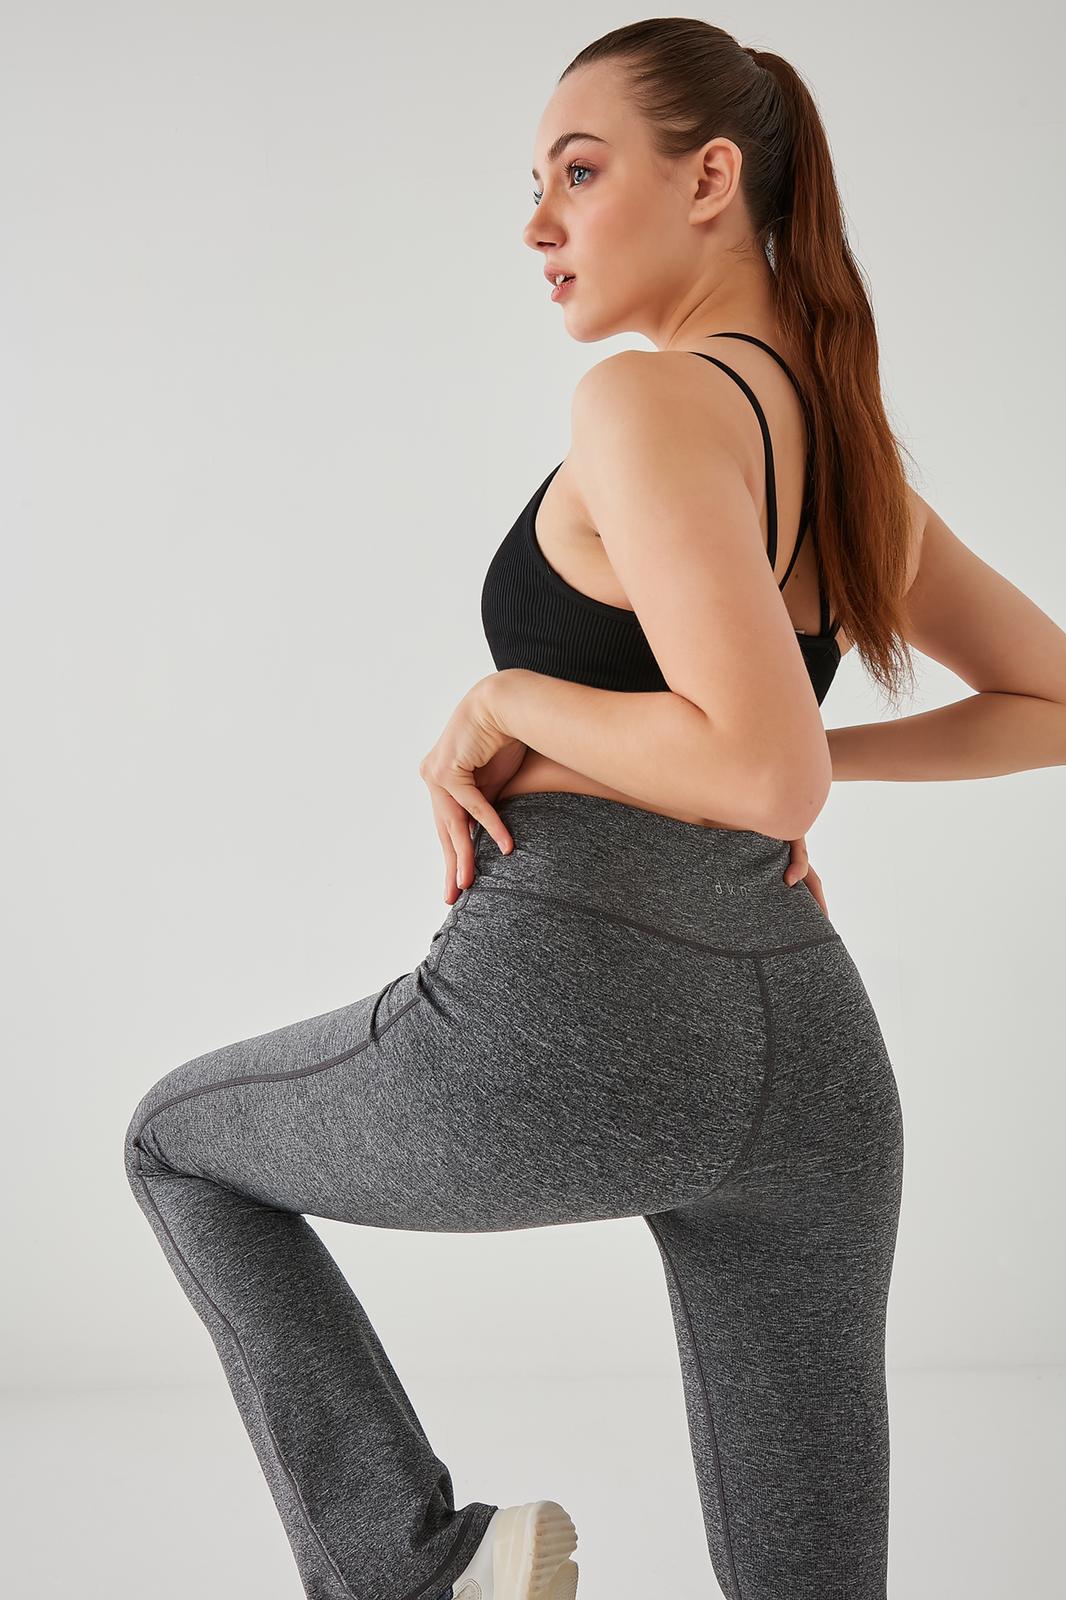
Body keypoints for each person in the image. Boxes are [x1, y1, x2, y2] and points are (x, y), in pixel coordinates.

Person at [123, 19, 1066, 1600]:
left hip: (571, 1013)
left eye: (576, 171)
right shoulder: (846, 462)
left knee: (176, 1148)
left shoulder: (645, 402)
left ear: (708, 180)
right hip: (810, 1065)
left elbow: (762, 769)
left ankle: (419, 1572)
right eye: (533, 185)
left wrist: (512, 701)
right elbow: (1035, 703)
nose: (536, 225)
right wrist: (799, 764)